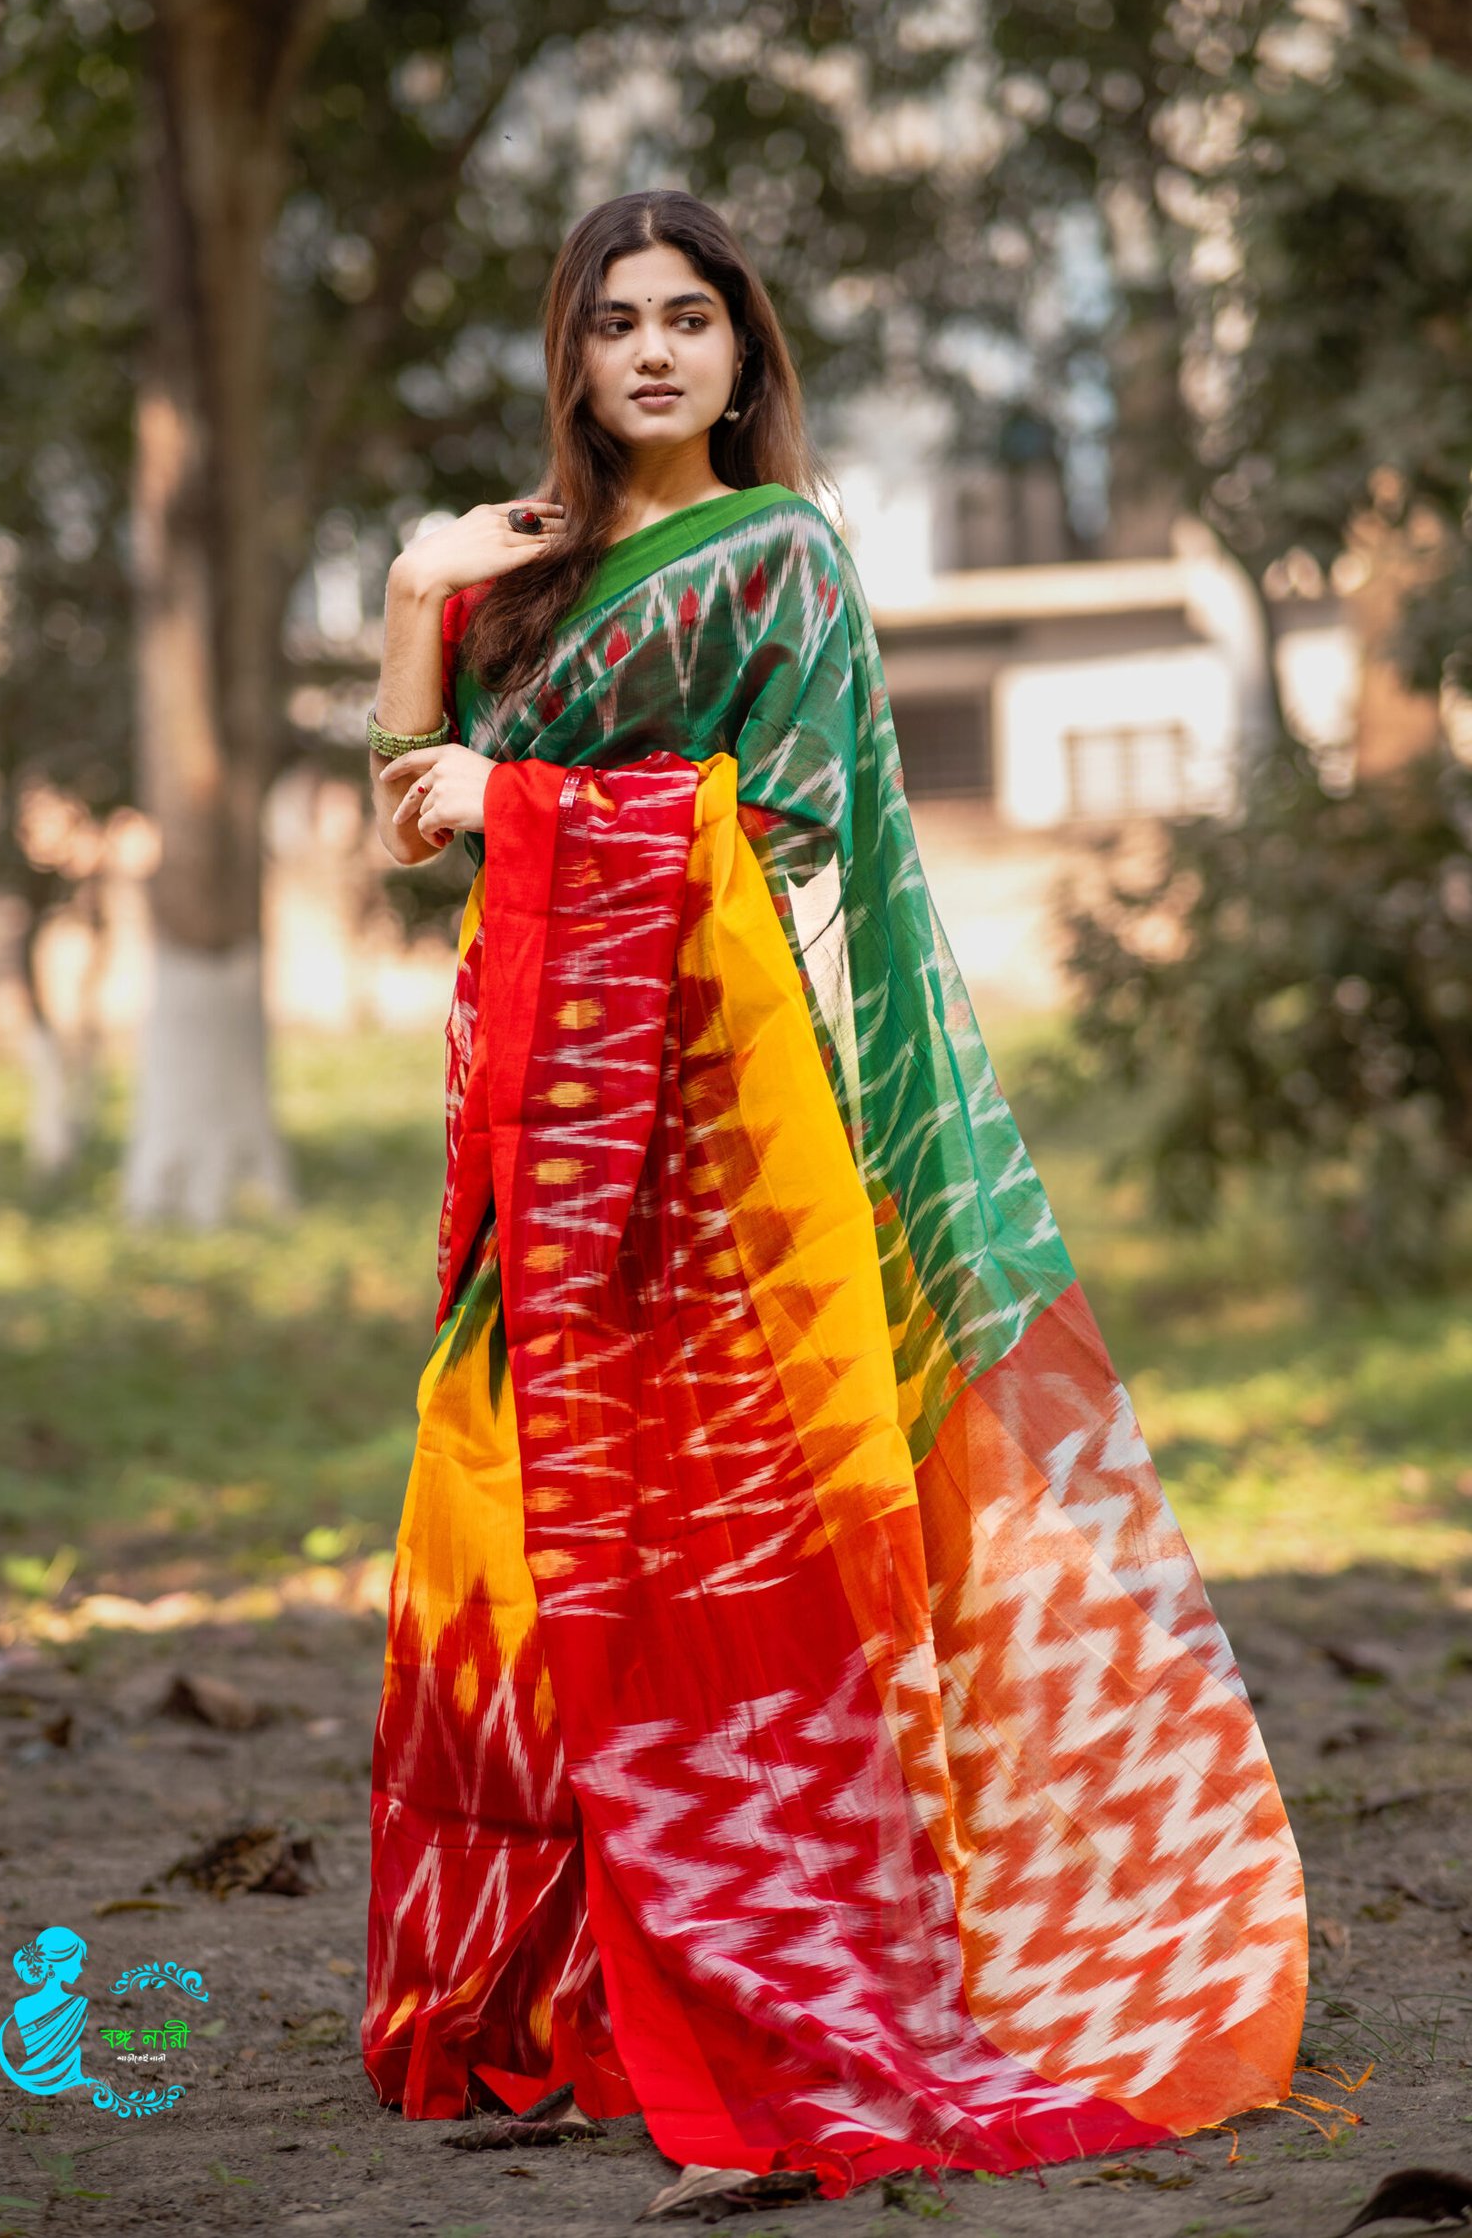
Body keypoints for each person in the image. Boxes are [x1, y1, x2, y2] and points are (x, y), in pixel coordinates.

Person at [360, 189, 1307, 2201]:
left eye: (686, 318)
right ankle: (561, 1975)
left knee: (702, 1543)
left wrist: (521, 799)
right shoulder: (520, 568)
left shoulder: (779, 554)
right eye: (613, 320)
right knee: (518, 1528)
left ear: (741, 352)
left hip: (711, 1118)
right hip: (529, 1113)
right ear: (570, 354)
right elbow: (407, 830)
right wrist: (414, 593)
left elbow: (783, 819)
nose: (650, 351)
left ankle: (765, 1950)